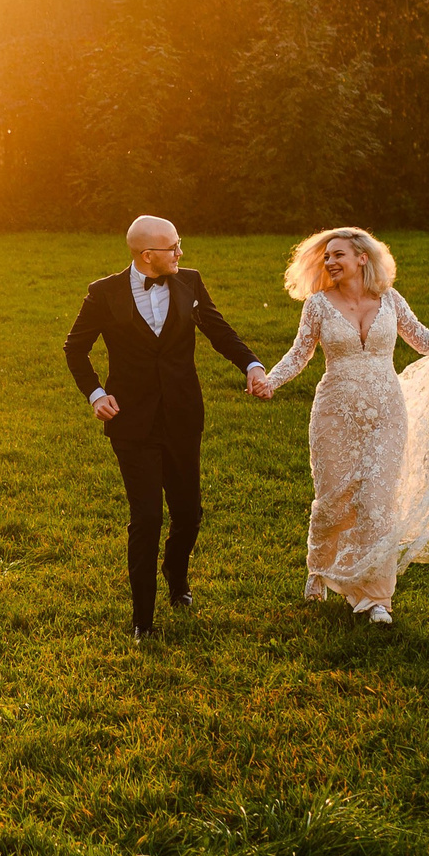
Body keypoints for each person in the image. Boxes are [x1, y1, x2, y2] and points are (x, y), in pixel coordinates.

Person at [251, 227, 429, 624]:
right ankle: (321, 571)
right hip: (334, 411)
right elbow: (299, 354)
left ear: (363, 258)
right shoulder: (317, 305)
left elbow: (427, 342)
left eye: (338, 255)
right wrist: (268, 381)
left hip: (387, 411)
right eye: (326, 257)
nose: (330, 262)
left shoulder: (390, 300)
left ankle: (376, 599)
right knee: (333, 499)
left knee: (377, 503)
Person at [63, 215, 264, 640]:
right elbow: (75, 349)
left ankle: (176, 572)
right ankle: (143, 620)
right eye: (173, 246)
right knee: (147, 517)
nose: (181, 252)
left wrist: (251, 364)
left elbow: (218, 329)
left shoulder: (189, 282)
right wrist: (96, 395)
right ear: (148, 255)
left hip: (182, 417)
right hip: (131, 422)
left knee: (188, 514)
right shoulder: (103, 294)